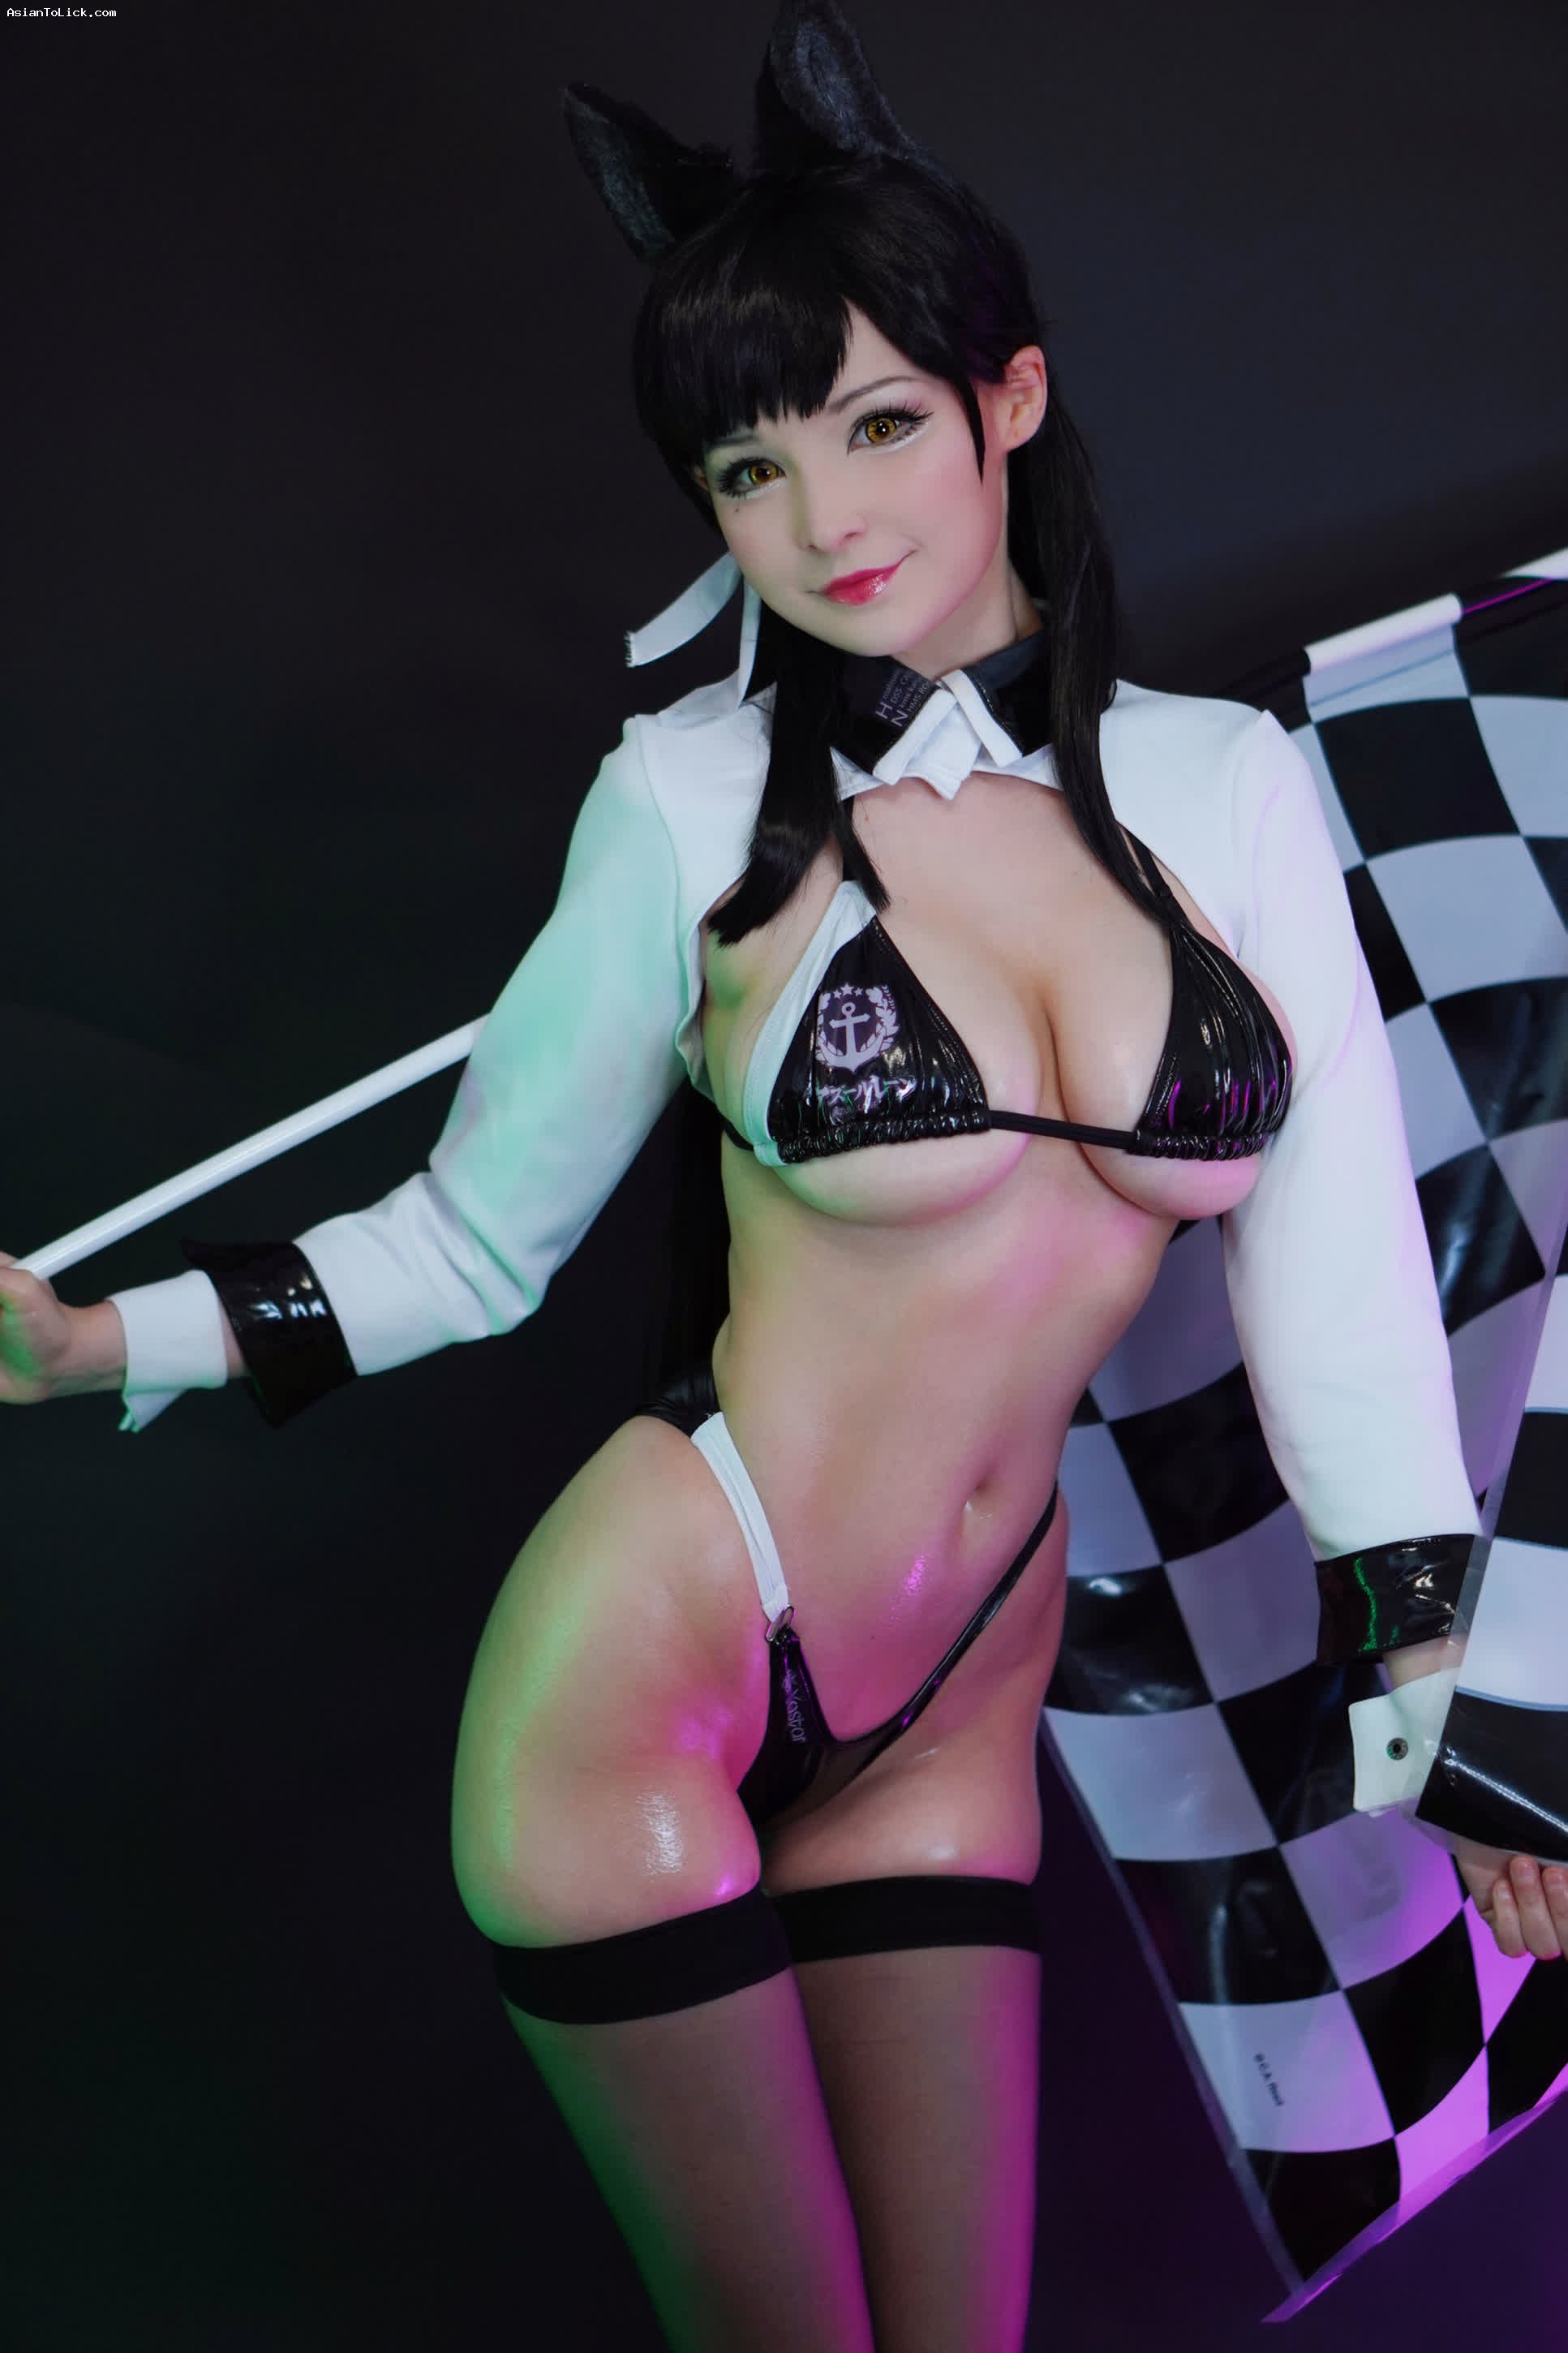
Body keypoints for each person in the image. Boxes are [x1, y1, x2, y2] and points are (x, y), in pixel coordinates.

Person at [2, 5, 1562, 2347]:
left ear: (1010, 398)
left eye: (878, 424)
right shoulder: (685, 805)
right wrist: (101, 1343)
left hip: (959, 1694)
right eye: (752, 467)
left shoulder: (1226, 787)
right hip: (669, 1644)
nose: (827, 522)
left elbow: (1334, 1290)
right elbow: (472, 1241)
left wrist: (1454, 1710)